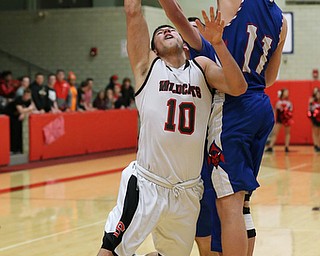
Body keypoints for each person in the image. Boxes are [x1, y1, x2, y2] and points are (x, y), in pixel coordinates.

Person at [96, 0, 247, 255]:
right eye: (159, 33)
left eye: (171, 30)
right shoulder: (147, 68)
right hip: (147, 183)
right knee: (111, 249)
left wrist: (218, 44)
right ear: (153, 49)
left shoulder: (202, 67)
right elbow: (132, 11)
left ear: (185, 42)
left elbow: (238, 87)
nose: (166, 31)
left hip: (187, 190)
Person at [158, 0, 287, 255]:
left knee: (228, 204)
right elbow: (270, 78)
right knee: (242, 204)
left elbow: (175, 13)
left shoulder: (230, 13)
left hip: (232, 109)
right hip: (260, 105)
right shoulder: (280, 20)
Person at [4, 88, 35, 154]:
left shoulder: (29, 101)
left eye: (28, 96)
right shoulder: (18, 99)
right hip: (9, 115)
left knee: (19, 131)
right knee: (14, 131)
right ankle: (12, 149)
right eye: (26, 95)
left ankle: (18, 149)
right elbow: (20, 110)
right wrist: (28, 109)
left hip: (18, 117)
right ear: (23, 95)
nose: (27, 97)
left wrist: (24, 113)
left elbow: (32, 109)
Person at [265, 88, 293, 153]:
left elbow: (291, 110)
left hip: (287, 119)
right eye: (286, 92)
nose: (287, 93)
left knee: (287, 133)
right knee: (275, 133)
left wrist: (288, 115)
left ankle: (286, 147)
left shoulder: (289, 102)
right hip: (279, 119)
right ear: (282, 93)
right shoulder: (278, 101)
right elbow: (274, 110)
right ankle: (270, 146)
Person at [308, 87, 320, 152]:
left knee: (319, 132)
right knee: (315, 132)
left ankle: (318, 145)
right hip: (315, 118)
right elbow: (309, 109)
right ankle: (316, 145)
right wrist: (311, 117)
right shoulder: (312, 100)